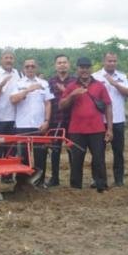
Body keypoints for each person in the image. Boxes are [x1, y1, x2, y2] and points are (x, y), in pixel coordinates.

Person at [58, 57, 113, 192]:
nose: (84, 70)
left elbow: (108, 106)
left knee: (99, 158)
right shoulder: (72, 86)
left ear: (91, 69)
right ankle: (76, 186)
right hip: (76, 130)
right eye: (82, 67)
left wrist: (109, 129)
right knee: (76, 159)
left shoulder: (100, 85)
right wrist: (72, 95)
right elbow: (61, 105)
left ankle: (101, 185)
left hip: (97, 129)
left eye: (87, 67)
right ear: (77, 69)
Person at [10, 59, 54, 181]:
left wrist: (46, 121)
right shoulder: (17, 83)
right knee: (23, 157)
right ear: (23, 69)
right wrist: (28, 90)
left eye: (32, 66)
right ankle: (22, 183)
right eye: (27, 66)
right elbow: (13, 100)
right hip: (22, 125)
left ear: (36, 68)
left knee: (41, 155)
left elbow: (48, 104)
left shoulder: (44, 83)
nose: (30, 68)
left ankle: (39, 181)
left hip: (39, 125)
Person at [93, 53, 128, 186]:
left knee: (118, 152)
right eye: (109, 61)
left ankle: (119, 179)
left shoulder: (122, 76)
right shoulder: (95, 76)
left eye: (114, 61)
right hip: (99, 120)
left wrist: (115, 84)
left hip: (118, 120)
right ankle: (98, 179)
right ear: (104, 61)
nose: (112, 63)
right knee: (98, 152)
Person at [45, 55, 76, 187]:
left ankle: (74, 179)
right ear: (55, 65)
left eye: (64, 62)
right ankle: (55, 178)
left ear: (69, 64)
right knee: (55, 150)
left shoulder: (76, 81)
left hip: (72, 121)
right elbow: (47, 102)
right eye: (59, 63)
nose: (62, 65)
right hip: (55, 120)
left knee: (72, 150)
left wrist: (66, 92)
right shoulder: (50, 82)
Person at [0, 48, 20, 161]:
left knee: (11, 149)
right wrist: (1, 85)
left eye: (11, 58)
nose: (9, 60)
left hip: (14, 118)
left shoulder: (18, 73)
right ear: (1, 60)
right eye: (6, 58)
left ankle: (8, 177)